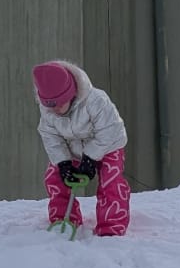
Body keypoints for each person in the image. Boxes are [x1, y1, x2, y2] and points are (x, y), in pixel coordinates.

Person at [34, 60, 132, 235]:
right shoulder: (48, 110)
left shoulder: (96, 100)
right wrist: (63, 162)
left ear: (70, 93)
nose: (55, 110)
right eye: (50, 105)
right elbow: (50, 137)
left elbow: (108, 131)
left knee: (111, 182)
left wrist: (91, 158)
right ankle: (64, 218)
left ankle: (111, 225)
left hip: (108, 146)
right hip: (74, 149)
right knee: (54, 177)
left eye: (59, 103)